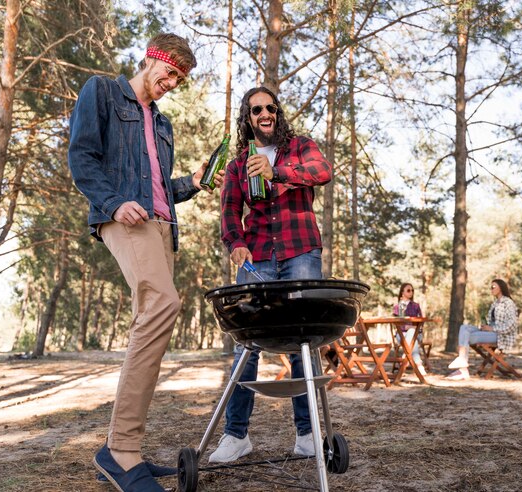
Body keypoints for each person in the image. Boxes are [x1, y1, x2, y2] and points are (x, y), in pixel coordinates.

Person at [68, 33, 222, 492]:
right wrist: (114, 204)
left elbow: (156, 186)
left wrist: (191, 183)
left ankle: (123, 446)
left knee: (151, 325)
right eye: (170, 71)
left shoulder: (163, 123)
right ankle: (120, 452)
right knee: (162, 305)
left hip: (160, 226)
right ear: (152, 58)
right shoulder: (103, 91)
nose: (172, 82)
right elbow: (82, 157)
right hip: (124, 218)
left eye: (180, 78)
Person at [208, 87, 333, 463]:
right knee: (247, 345)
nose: (264, 113)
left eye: (270, 107)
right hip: (257, 258)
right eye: (255, 109)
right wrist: (235, 244)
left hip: (301, 252)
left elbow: (322, 172)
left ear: (277, 113)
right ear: (247, 118)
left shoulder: (300, 147)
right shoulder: (236, 164)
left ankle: (308, 433)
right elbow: (230, 210)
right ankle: (235, 436)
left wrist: (276, 171)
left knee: (304, 343)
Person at [446, 278, 518, 381]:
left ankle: (462, 369)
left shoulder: (508, 303)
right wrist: (485, 327)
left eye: (493, 287)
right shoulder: (495, 303)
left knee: (469, 336)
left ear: (501, 288)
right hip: (491, 331)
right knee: (464, 327)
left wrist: (492, 328)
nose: (491, 289)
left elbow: (511, 325)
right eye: (490, 287)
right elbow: (492, 321)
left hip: (501, 335)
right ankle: (462, 366)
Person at [392, 283, 427, 376]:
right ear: (402, 292)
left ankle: (405, 356)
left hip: (416, 334)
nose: (411, 292)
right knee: (410, 332)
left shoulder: (416, 306)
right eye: (408, 290)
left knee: (411, 332)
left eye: (412, 290)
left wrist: (412, 327)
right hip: (401, 335)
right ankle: (419, 364)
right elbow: (397, 323)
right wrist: (406, 327)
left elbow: (421, 321)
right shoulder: (398, 307)